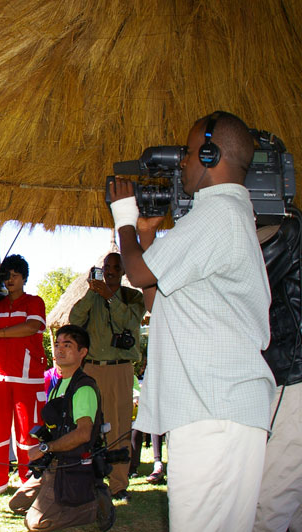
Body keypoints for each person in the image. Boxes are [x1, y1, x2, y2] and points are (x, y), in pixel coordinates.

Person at [108, 111, 275, 531]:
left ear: (209, 152)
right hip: (218, 411)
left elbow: (138, 274)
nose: (181, 163)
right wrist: (146, 238)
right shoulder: (230, 218)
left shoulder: (218, 214)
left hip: (214, 413)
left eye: (187, 153)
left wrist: (124, 218)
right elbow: (157, 300)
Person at [9, 325, 115, 532]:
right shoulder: (58, 384)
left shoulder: (83, 387)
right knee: (16, 504)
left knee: (35, 524)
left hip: (72, 463)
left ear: (82, 352)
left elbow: (83, 433)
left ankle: (92, 506)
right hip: (53, 463)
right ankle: (57, 497)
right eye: (57, 345)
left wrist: (44, 449)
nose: (60, 350)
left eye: (68, 345)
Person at [69, 252, 146, 501]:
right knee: (86, 427)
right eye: (107, 267)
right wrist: (94, 292)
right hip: (91, 369)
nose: (111, 271)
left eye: (116, 267)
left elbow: (129, 320)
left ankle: (118, 485)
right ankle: (88, 481)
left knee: (119, 428)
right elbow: (74, 319)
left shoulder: (132, 296)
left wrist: (109, 296)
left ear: (123, 271)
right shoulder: (93, 297)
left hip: (119, 368)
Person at [0, 254, 48, 497]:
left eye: (15, 275)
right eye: (7, 276)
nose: (11, 280)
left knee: (29, 432)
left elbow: (31, 327)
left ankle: (31, 478)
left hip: (27, 377)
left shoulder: (34, 302)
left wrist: (1, 334)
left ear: (24, 277)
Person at [254, 206, 302, 531]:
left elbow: (244, 284)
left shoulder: (286, 231)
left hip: (293, 381)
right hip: (288, 377)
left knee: (269, 503)